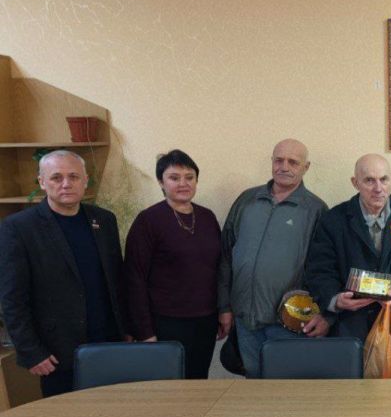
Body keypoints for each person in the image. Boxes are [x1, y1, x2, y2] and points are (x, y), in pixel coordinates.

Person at [0, 150, 128, 396]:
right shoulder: (18, 228)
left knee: (115, 410)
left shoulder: (104, 220)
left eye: (74, 176)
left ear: (85, 180)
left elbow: (116, 280)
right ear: (42, 182)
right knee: (66, 416)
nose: (66, 184)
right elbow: (12, 298)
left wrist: (128, 330)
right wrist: (31, 351)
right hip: (57, 353)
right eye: (56, 177)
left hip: (109, 342)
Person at [217, 138, 329, 378]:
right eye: (279, 160)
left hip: (289, 323)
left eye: (293, 162)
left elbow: (324, 269)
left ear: (306, 167)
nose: (284, 167)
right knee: (253, 385)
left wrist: (324, 315)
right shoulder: (247, 200)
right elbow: (225, 255)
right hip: (245, 321)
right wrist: (224, 306)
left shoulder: (316, 209)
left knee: (285, 389)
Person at [124, 150, 224, 379]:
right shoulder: (148, 221)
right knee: (169, 387)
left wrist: (222, 310)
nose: (183, 183)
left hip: (205, 320)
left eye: (189, 177)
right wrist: (145, 331)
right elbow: (134, 279)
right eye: (174, 177)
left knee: (198, 381)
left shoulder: (207, 217)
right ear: (161, 182)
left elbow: (218, 268)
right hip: (165, 322)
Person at [304, 154, 391, 339]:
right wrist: (336, 299)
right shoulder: (333, 220)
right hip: (349, 327)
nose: (378, 188)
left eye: (384, 179)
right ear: (355, 183)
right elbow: (319, 270)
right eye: (369, 180)